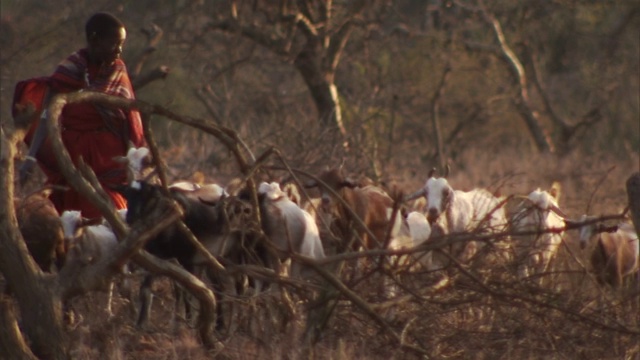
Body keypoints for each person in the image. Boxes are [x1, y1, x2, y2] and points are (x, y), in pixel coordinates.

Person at [19, 12, 145, 220]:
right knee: (63, 217)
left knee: (109, 215)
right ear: (95, 40)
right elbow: (46, 115)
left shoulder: (117, 70)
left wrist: (135, 155)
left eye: (122, 44)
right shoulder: (69, 70)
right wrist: (31, 157)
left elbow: (130, 117)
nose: (119, 50)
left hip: (108, 159)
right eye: (114, 43)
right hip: (73, 157)